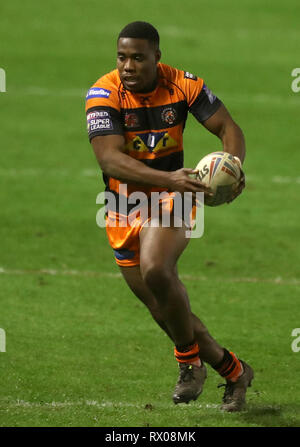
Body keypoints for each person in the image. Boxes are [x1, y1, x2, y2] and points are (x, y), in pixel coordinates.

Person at [85, 21, 254, 412]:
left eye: (138, 58)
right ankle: (235, 372)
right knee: (166, 311)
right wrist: (169, 177)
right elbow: (110, 159)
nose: (128, 65)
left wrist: (232, 168)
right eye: (122, 57)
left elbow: (228, 127)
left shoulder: (184, 84)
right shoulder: (103, 93)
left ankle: (188, 364)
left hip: (171, 199)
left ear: (157, 59)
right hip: (123, 207)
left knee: (157, 270)